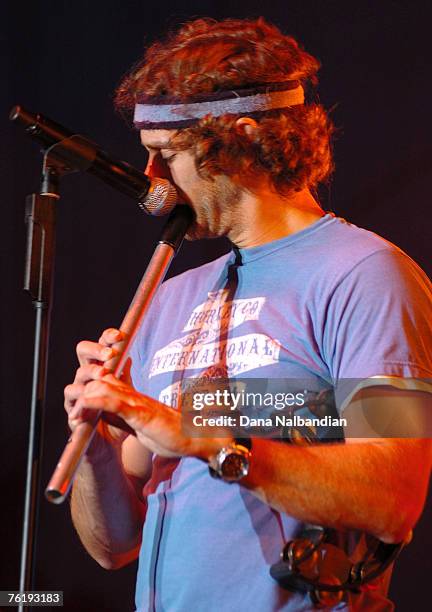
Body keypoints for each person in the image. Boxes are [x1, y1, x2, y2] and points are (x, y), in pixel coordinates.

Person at [64, 17, 432, 611]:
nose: (152, 183)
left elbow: (395, 494)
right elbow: (114, 546)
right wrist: (97, 438)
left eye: (165, 156)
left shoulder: (368, 274)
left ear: (236, 138)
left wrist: (205, 438)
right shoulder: (172, 294)